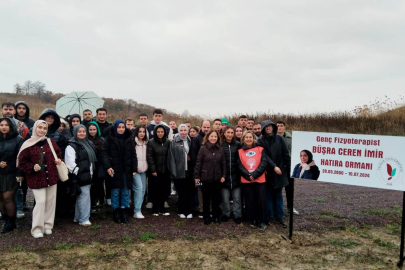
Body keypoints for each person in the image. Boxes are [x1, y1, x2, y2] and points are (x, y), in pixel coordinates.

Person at [17, 120, 63, 238]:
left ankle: (48, 225)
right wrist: (32, 167)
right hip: (36, 179)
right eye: (40, 127)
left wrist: (58, 159)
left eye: (44, 128)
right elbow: (21, 162)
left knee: (50, 203)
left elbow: (58, 153)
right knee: (41, 202)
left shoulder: (50, 141)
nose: (42, 130)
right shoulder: (28, 143)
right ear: (35, 128)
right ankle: (36, 228)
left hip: (51, 177)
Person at [101, 120, 137, 223]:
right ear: (115, 128)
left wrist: (134, 168)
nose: (121, 129)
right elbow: (104, 153)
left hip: (126, 169)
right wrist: (108, 167)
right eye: (119, 127)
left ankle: (124, 209)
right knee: (115, 191)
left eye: (123, 127)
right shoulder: (109, 138)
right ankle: (116, 210)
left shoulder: (129, 138)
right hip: (114, 169)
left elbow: (133, 154)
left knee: (125, 191)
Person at [258, 120, 290, 228]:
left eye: (270, 126)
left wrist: (290, 168)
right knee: (269, 195)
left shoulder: (280, 139)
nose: (268, 128)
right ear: (263, 128)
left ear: (273, 127)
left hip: (280, 171)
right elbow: (264, 156)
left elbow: (285, 154)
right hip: (268, 172)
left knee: (279, 195)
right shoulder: (261, 141)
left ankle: (280, 216)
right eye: (266, 127)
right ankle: (271, 215)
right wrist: (273, 166)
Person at [65, 125, 96, 226]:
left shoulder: (87, 143)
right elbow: (70, 163)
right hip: (79, 175)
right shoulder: (71, 146)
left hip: (88, 174)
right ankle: (84, 219)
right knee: (85, 196)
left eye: (83, 131)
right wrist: (79, 172)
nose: (82, 133)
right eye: (79, 131)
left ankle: (77, 217)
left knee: (81, 196)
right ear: (75, 133)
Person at [194, 129, 226, 225]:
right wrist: (197, 177)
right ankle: (206, 217)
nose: (213, 138)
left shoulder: (220, 149)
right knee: (206, 199)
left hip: (217, 178)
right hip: (205, 179)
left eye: (215, 136)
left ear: (218, 138)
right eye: (211, 136)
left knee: (216, 199)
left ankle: (216, 216)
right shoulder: (203, 149)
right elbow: (198, 163)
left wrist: (224, 175)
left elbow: (223, 163)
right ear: (208, 137)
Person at [237, 131, 269, 230]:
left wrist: (255, 174)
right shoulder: (240, 151)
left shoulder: (260, 149)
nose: (248, 139)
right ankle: (253, 219)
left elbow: (264, 163)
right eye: (246, 137)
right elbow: (239, 165)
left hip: (259, 179)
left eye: (250, 137)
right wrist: (247, 175)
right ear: (243, 139)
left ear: (253, 138)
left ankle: (263, 220)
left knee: (261, 200)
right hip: (246, 180)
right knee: (250, 201)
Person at [0, 118, 23, 233]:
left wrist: (19, 173)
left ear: (11, 126)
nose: (4, 127)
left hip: (11, 173)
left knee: (7, 198)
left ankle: (11, 223)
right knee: (0, 198)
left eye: (6, 125)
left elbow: (21, 158)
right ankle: (5, 220)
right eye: (1, 125)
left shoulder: (18, 139)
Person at [168, 124, 193, 219]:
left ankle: (189, 211)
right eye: (181, 130)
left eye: (185, 130)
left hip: (188, 171)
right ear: (178, 131)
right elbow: (171, 158)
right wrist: (173, 171)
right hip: (178, 171)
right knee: (181, 193)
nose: (183, 132)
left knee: (188, 192)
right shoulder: (174, 142)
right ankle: (181, 211)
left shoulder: (190, 140)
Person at [147, 124, 171, 216]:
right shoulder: (151, 142)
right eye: (158, 132)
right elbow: (150, 157)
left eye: (162, 132)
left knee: (164, 190)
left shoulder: (168, 142)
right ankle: (155, 209)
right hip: (155, 171)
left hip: (165, 170)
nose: (160, 133)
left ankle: (162, 209)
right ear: (155, 132)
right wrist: (153, 170)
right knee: (155, 189)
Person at [220, 126, 242, 224]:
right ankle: (226, 213)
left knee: (237, 198)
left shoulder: (238, 144)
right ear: (224, 133)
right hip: (224, 176)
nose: (229, 134)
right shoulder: (220, 145)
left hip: (236, 175)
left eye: (231, 133)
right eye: (227, 132)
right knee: (225, 198)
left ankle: (238, 214)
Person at [276, 120, 297, 215]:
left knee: (289, 188)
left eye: (281, 125)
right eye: (278, 126)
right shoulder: (273, 137)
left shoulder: (290, 138)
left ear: (284, 127)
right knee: (277, 188)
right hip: (278, 165)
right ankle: (277, 207)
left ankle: (290, 206)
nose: (279, 127)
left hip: (288, 165)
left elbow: (293, 151)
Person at [190, 120, 210, 218]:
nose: (206, 129)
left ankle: (209, 209)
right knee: (200, 190)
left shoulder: (212, 137)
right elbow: (194, 156)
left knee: (209, 190)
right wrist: (197, 171)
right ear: (201, 127)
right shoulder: (197, 138)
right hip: (199, 170)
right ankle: (202, 210)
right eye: (204, 127)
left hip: (210, 171)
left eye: (208, 127)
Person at [87, 121, 105, 212]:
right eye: (90, 129)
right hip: (90, 165)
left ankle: (101, 201)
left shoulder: (101, 139)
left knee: (100, 184)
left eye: (94, 129)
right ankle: (92, 203)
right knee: (91, 185)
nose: (92, 131)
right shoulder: (86, 140)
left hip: (99, 164)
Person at [96, 108, 112, 206]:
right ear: (97, 115)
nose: (102, 116)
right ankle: (100, 198)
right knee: (99, 179)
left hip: (108, 155)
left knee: (109, 178)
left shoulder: (110, 126)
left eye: (103, 114)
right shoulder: (94, 126)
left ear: (106, 115)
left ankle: (109, 197)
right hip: (97, 156)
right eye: (100, 114)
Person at [132, 125, 148, 219]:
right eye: (140, 131)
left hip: (144, 170)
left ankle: (138, 208)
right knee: (138, 189)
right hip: (135, 170)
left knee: (142, 190)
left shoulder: (146, 143)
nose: (141, 133)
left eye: (143, 131)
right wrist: (133, 169)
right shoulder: (133, 143)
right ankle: (136, 211)